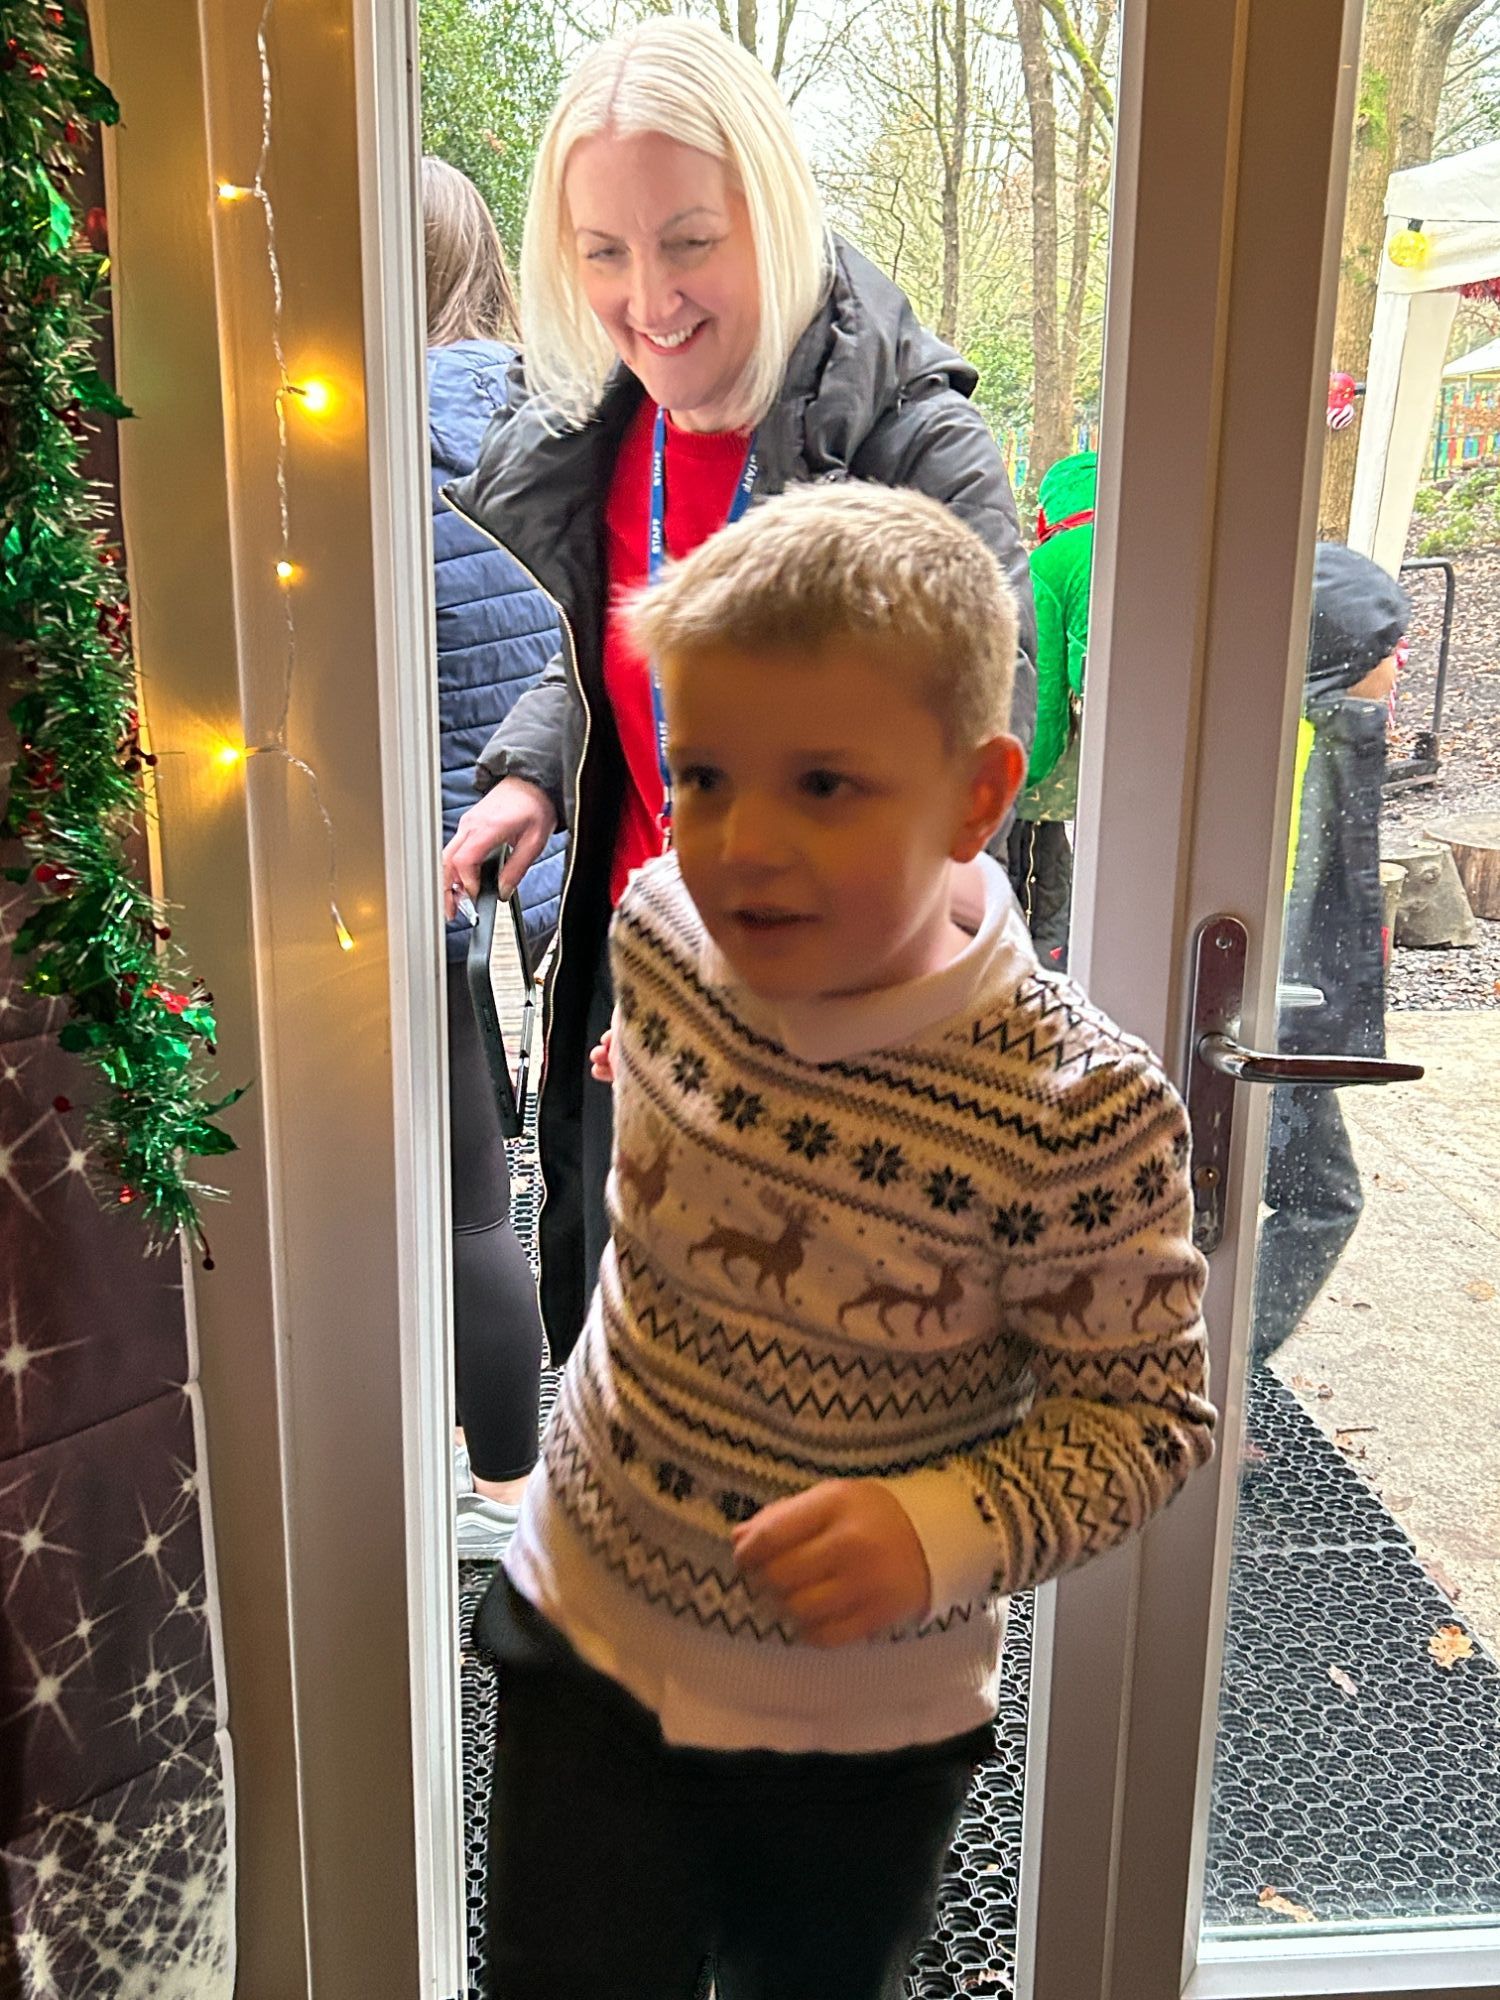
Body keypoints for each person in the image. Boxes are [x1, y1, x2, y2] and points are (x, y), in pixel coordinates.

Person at [477, 482, 1217, 2000]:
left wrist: (940, 1528)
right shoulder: (661, 927)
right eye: (700, 773)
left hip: (849, 1733)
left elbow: (1148, 1420)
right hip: (586, 1620)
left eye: (824, 785)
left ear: (976, 795)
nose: (740, 843)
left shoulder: (1080, 1114)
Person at [441, 19, 1039, 1370]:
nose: (648, 298)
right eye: (605, 252)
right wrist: (539, 769)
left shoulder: (912, 445)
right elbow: (630, 651)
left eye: (689, 240)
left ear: (769, 213)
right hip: (633, 1008)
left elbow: (963, 774)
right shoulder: (613, 423)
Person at [423, 156, 564, 1553]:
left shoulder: (342, 441)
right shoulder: (555, 415)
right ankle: (548, 1478)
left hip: (434, 859)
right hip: (577, 844)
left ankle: (498, 1497)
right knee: (558, 1180)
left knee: (466, 1202)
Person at [1253, 541, 1408, 1359]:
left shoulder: (1277, 724)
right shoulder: (1323, 741)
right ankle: (1215, 1376)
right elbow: (1297, 901)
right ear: (1344, 655)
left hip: (1259, 1016)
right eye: (1389, 650)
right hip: (1266, 1022)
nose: (1399, 670)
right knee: (1323, 1199)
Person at [1007, 449, 1096, 968]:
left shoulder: (1049, 561)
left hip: (1054, 740)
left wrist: (1029, 759)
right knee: (1063, 845)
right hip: (1104, 740)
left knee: (1030, 836)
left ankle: (1032, 949)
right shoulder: (1129, 545)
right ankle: (1060, 939)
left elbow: (1041, 670)